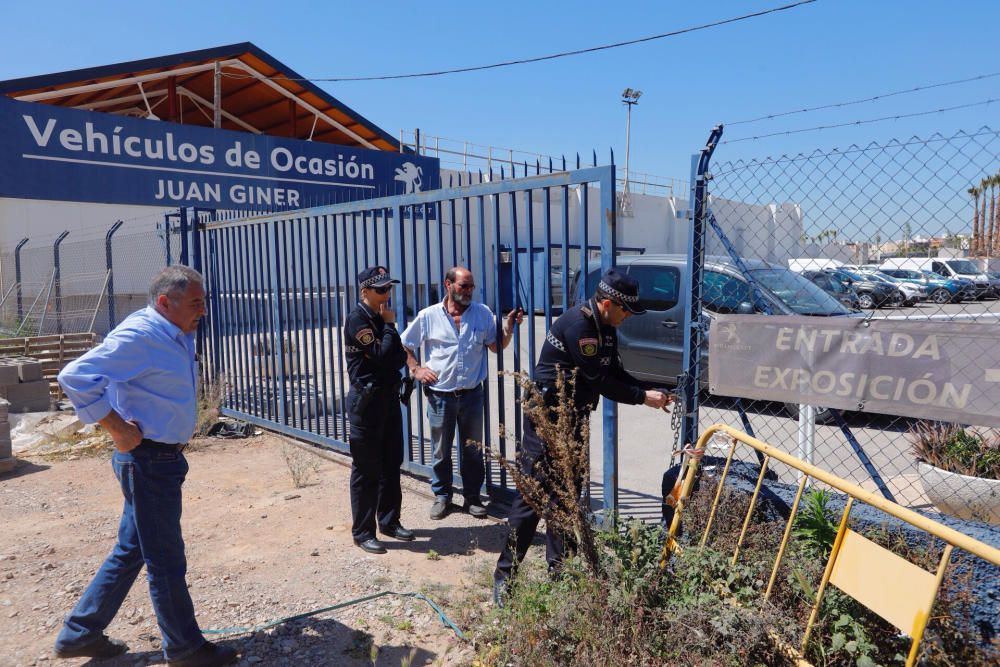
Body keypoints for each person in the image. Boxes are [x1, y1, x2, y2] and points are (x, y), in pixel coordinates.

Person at [53, 266, 237, 667]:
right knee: (166, 558)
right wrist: (117, 428)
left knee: (132, 549)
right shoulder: (140, 336)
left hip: (160, 460)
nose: (202, 311)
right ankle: (186, 648)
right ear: (164, 302)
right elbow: (75, 376)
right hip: (147, 460)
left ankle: (79, 633)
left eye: (203, 302)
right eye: (195, 303)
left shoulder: (174, 331)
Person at [492, 268, 673, 607]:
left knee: (568, 498)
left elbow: (614, 371)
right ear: (607, 303)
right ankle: (505, 577)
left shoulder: (605, 326)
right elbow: (599, 381)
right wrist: (641, 397)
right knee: (532, 498)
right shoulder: (580, 327)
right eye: (626, 311)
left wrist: (648, 389)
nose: (628, 319)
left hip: (573, 418)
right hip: (547, 419)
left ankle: (561, 572)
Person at [400, 267, 524, 520]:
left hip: (471, 395)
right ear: (448, 284)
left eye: (471, 286)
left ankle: (472, 497)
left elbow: (494, 345)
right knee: (441, 450)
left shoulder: (482, 313)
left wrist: (508, 329)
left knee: (472, 449)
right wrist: (416, 369)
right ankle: (442, 496)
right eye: (463, 286)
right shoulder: (428, 316)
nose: (468, 291)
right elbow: (405, 343)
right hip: (440, 396)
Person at [343, 265, 414, 554]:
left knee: (390, 464)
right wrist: (389, 325)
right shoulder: (358, 319)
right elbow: (385, 355)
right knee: (366, 469)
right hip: (366, 405)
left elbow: (397, 358)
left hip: (387, 401)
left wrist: (388, 327)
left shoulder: (383, 319)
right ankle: (363, 532)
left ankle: (389, 521)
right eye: (381, 289)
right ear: (365, 292)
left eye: (389, 288)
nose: (387, 293)